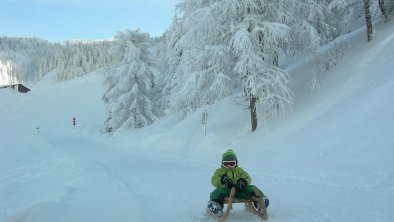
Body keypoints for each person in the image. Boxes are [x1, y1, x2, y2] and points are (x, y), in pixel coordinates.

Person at [206, 149, 269, 219]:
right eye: (226, 164)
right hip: (226, 191)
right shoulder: (219, 171)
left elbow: (247, 177)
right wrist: (221, 180)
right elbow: (213, 181)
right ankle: (215, 207)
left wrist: (244, 182)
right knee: (217, 192)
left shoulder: (239, 170)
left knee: (252, 188)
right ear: (222, 163)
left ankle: (260, 202)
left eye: (232, 163)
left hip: (240, 190)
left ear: (236, 163)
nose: (229, 166)